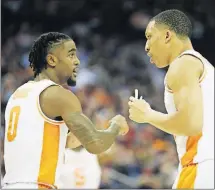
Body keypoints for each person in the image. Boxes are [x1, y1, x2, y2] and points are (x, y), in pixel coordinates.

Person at [3, 32, 129, 189]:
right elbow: (96, 144)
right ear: (51, 59)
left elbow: (46, 142)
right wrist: (115, 126)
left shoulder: (18, 95)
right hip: (38, 185)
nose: (77, 62)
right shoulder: (59, 95)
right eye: (71, 55)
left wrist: (74, 137)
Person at [128, 9, 214, 189]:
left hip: (200, 165)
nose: (146, 46)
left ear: (167, 35)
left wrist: (147, 115)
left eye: (149, 36)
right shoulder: (204, 66)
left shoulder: (182, 64)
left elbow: (190, 124)